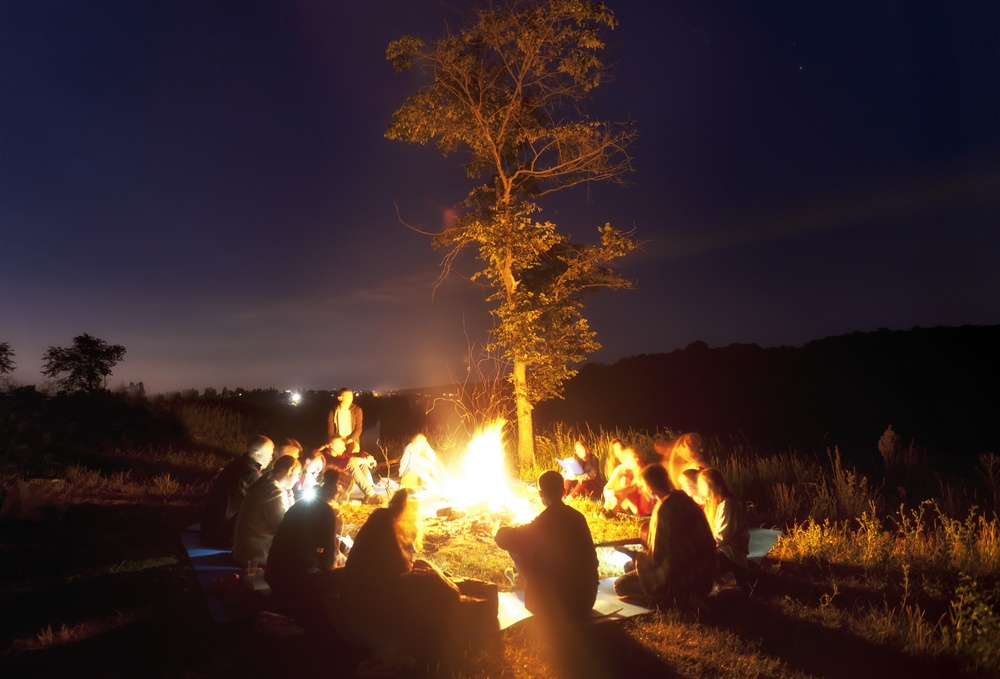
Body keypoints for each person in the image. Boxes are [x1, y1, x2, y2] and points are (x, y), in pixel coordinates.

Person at [332, 489, 485, 659]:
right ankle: (459, 603)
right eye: (413, 511)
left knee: (429, 575)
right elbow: (396, 564)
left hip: (377, 586)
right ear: (403, 507)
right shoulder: (383, 520)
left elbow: (398, 563)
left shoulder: (389, 520)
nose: (415, 517)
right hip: (371, 594)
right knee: (436, 589)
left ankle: (462, 600)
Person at [494, 470, 599, 621]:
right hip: (586, 602)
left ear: (540, 494)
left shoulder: (542, 523)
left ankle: (524, 582)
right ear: (564, 491)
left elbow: (504, 540)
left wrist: (504, 529)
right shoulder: (578, 518)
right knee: (531, 546)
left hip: (555, 608)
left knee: (516, 547)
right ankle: (520, 577)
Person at [613, 464, 716, 608]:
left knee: (620, 584)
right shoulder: (685, 499)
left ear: (650, 488)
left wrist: (632, 554)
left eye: (642, 486)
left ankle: (668, 600)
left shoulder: (663, 510)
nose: (641, 490)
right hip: (705, 576)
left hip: (683, 580)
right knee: (629, 566)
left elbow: (658, 560)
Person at [266, 468, 346, 603]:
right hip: (298, 583)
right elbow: (330, 560)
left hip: (273, 573)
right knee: (347, 576)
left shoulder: (300, 504)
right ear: (336, 492)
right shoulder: (327, 512)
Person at [200, 435, 274, 548]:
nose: (271, 458)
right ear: (256, 454)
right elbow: (264, 506)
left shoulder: (238, 464)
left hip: (209, 529)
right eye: (269, 453)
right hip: (224, 535)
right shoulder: (252, 474)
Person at [232, 455, 301, 568]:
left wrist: (289, 496)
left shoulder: (264, 483)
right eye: (297, 474)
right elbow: (284, 528)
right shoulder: (274, 491)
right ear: (288, 472)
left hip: (242, 552)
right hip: (255, 559)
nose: (298, 479)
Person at [698, 468, 751, 587]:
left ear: (717, 487)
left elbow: (721, 537)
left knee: (700, 562)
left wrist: (701, 546)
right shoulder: (720, 504)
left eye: (705, 487)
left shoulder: (729, 504)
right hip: (725, 551)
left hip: (732, 555)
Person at [321, 435, 382, 505]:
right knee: (352, 465)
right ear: (332, 446)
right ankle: (371, 494)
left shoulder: (336, 454)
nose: (344, 448)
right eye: (341, 446)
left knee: (362, 464)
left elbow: (352, 455)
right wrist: (365, 460)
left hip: (342, 483)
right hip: (332, 486)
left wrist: (366, 456)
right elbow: (348, 462)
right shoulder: (325, 456)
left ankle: (367, 494)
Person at [602, 446, 651, 516]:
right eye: (634, 457)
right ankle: (605, 510)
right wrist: (610, 495)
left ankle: (612, 511)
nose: (637, 459)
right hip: (627, 505)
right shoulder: (621, 468)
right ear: (626, 460)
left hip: (641, 508)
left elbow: (632, 488)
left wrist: (614, 492)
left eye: (638, 457)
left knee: (625, 482)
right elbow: (607, 487)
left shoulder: (640, 468)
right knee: (623, 481)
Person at [328, 388, 363, 453]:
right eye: (348, 396)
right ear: (340, 398)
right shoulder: (333, 412)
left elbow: (358, 429)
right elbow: (330, 432)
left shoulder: (357, 410)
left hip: (352, 440)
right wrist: (335, 442)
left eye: (351, 396)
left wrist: (348, 441)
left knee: (353, 454)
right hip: (338, 441)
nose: (351, 398)